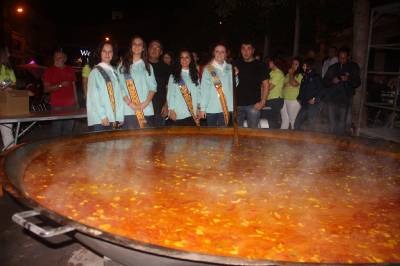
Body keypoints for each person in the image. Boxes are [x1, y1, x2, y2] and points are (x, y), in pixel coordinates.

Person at [118, 36, 157, 129]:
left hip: (146, 109)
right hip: (128, 110)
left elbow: (153, 87)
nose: (137, 46)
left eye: (140, 44)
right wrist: (131, 104)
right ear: (131, 47)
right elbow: (120, 87)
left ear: (143, 48)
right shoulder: (123, 65)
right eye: (134, 44)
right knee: (131, 142)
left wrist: (144, 104)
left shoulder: (148, 66)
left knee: (146, 141)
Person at [86, 41, 124, 131]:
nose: (107, 54)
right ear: (100, 53)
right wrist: (102, 116)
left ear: (113, 54)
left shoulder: (114, 72)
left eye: (110, 51)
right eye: (104, 51)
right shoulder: (95, 72)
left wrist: (120, 116)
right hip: (101, 119)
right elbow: (94, 97)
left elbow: (119, 96)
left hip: (114, 117)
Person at [323, 47, 361, 135]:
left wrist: (348, 79)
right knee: (332, 122)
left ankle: (339, 143)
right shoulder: (333, 67)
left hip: (345, 99)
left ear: (348, 57)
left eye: (344, 58)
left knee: (342, 123)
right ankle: (331, 142)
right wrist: (332, 81)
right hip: (332, 98)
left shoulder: (353, 67)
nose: (342, 59)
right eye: (340, 57)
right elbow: (325, 81)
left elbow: (357, 83)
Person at [43, 49, 79, 137]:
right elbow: (46, 89)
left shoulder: (70, 69)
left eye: (60, 57)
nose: (57, 59)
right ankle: (56, 149)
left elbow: (74, 86)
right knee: (56, 130)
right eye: (55, 57)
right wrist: (60, 85)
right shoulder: (49, 70)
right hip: (57, 105)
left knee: (69, 131)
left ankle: (66, 149)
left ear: (65, 59)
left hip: (71, 105)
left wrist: (76, 102)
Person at [234, 41, 269, 128]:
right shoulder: (235, 63)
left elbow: (266, 84)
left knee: (252, 132)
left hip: (254, 105)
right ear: (241, 50)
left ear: (253, 50)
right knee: (236, 132)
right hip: (236, 105)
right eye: (243, 49)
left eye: (248, 48)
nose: (245, 51)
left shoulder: (260, 65)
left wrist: (263, 101)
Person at [199, 43, 234, 127]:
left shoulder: (230, 67)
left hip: (227, 108)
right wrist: (202, 109)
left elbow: (234, 85)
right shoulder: (208, 69)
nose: (219, 54)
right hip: (212, 109)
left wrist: (236, 76)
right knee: (213, 136)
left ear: (226, 54)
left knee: (224, 136)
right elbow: (204, 90)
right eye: (217, 51)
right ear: (214, 53)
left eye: (222, 52)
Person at [167, 50, 200, 126]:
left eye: (187, 57)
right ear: (179, 60)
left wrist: (198, 108)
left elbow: (199, 93)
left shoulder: (195, 75)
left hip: (193, 114)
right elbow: (170, 95)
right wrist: (171, 110)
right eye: (182, 57)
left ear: (191, 59)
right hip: (178, 114)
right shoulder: (174, 76)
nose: (184, 59)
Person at [294, 58, 325, 131]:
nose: (303, 67)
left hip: (313, 105)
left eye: (305, 66)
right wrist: (299, 97)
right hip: (304, 103)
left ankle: (312, 141)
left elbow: (322, 91)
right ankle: (300, 140)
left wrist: (315, 99)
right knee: (297, 124)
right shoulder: (305, 77)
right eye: (303, 66)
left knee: (311, 124)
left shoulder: (316, 77)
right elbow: (302, 89)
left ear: (310, 66)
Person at [148, 40, 171, 126]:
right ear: (148, 49)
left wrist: (166, 105)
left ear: (161, 52)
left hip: (160, 109)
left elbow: (169, 88)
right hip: (143, 107)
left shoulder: (166, 68)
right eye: (152, 47)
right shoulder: (141, 65)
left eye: (157, 48)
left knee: (159, 138)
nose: (154, 50)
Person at [0, 47, 16, 149]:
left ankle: (10, 153)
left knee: (7, 129)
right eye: (7, 53)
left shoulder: (8, 69)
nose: (9, 55)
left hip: (5, 102)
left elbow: (14, 83)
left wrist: (10, 87)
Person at [281, 57, 303, 130]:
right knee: (284, 121)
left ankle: (296, 139)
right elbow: (283, 85)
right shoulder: (287, 75)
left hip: (293, 100)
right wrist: (288, 82)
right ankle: (281, 139)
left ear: (299, 66)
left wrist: (291, 74)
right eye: (293, 64)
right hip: (284, 99)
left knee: (293, 121)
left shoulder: (300, 75)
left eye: (296, 64)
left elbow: (293, 84)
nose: (293, 65)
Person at [265, 56, 285, 129]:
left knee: (272, 120)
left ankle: (274, 137)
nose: (268, 63)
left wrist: (263, 86)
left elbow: (269, 87)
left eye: (269, 62)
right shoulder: (271, 72)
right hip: (270, 99)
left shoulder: (279, 73)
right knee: (268, 119)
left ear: (274, 63)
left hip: (276, 99)